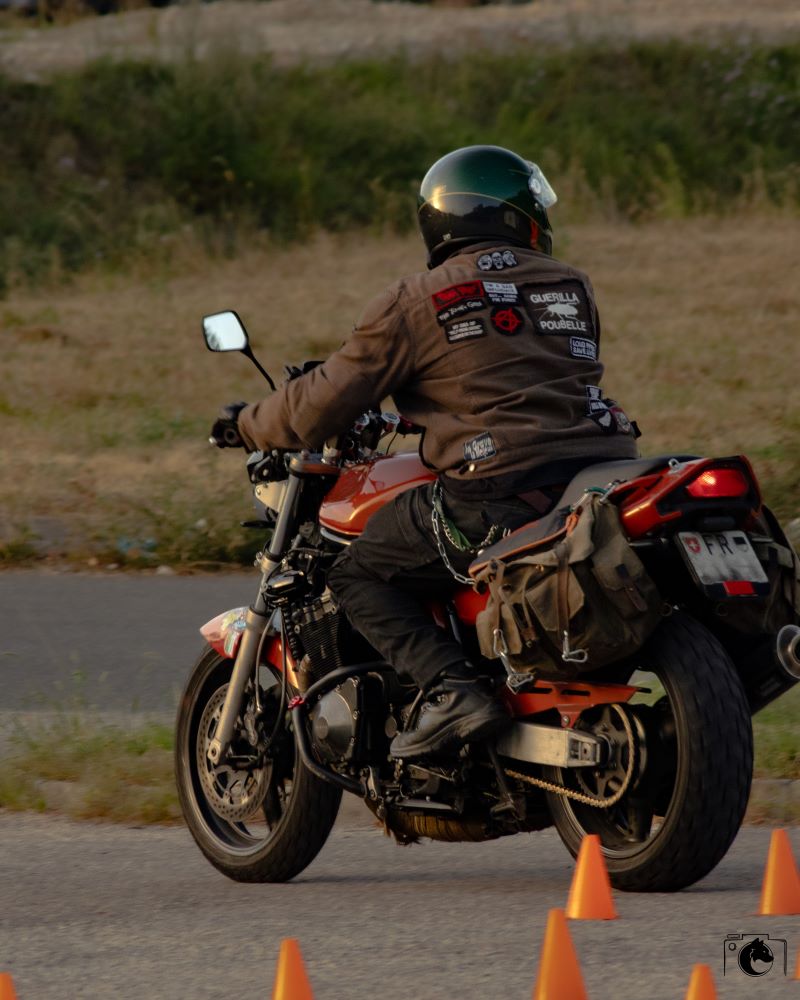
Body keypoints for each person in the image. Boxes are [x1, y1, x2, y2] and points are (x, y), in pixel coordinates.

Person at [211, 145, 639, 759]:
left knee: (353, 571)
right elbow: (522, 372)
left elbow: (320, 402)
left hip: (499, 487)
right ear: (517, 218)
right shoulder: (572, 285)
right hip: (601, 472)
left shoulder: (417, 301)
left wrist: (249, 424)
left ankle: (453, 687)